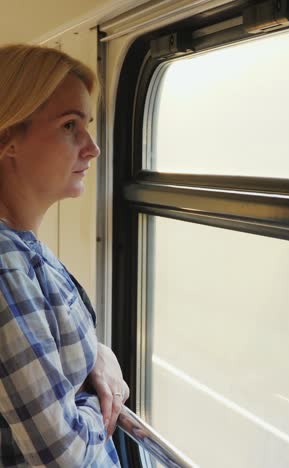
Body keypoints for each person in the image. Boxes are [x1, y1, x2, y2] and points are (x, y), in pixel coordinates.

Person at [0, 44, 129, 467]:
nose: (92, 147)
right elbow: (63, 456)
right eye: (70, 126)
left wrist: (97, 353)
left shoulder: (26, 246)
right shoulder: (5, 265)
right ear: (8, 138)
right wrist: (100, 396)